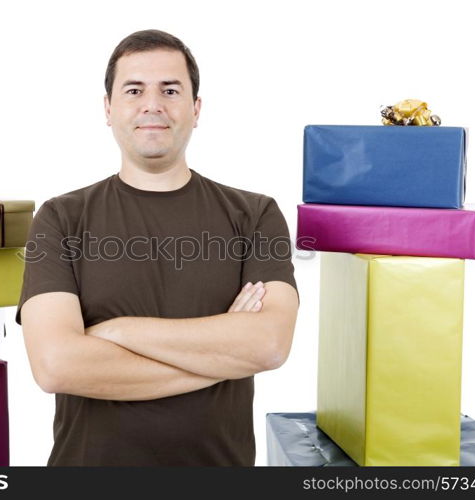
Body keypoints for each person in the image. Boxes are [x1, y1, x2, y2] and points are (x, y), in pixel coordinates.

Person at [16, 29, 299, 466]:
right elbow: (57, 365)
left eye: (170, 90)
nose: (153, 104)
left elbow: (268, 344)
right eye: (134, 90)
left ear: (196, 108)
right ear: (109, 109)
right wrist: (221, 353)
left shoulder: (255, 215)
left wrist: (117, 331)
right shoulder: (60, 218)